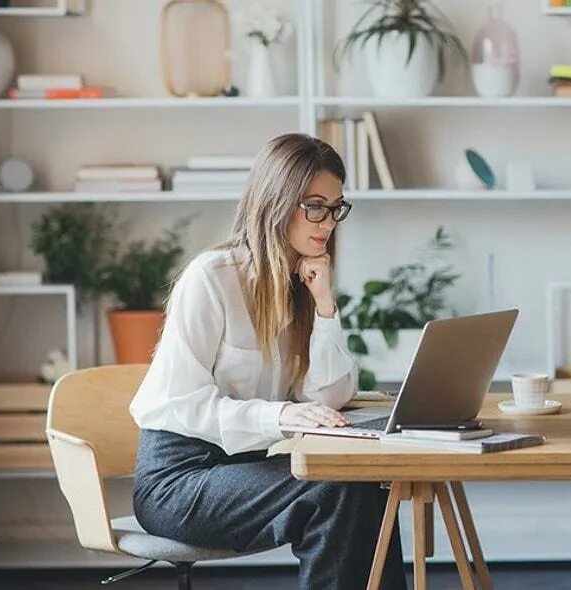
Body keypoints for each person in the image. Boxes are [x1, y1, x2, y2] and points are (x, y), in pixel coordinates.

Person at [129, 133, 406, 589]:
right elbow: (179, 404)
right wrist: (280, 414)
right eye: (314, 206)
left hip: (242, 470)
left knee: (363, 480)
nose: (328, 222)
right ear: (276, 201)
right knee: (332, 490)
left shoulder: (302, 282)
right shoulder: (211, 279)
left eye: (336, 208)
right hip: (179, 480)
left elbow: (329, 396)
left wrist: (324, 307)